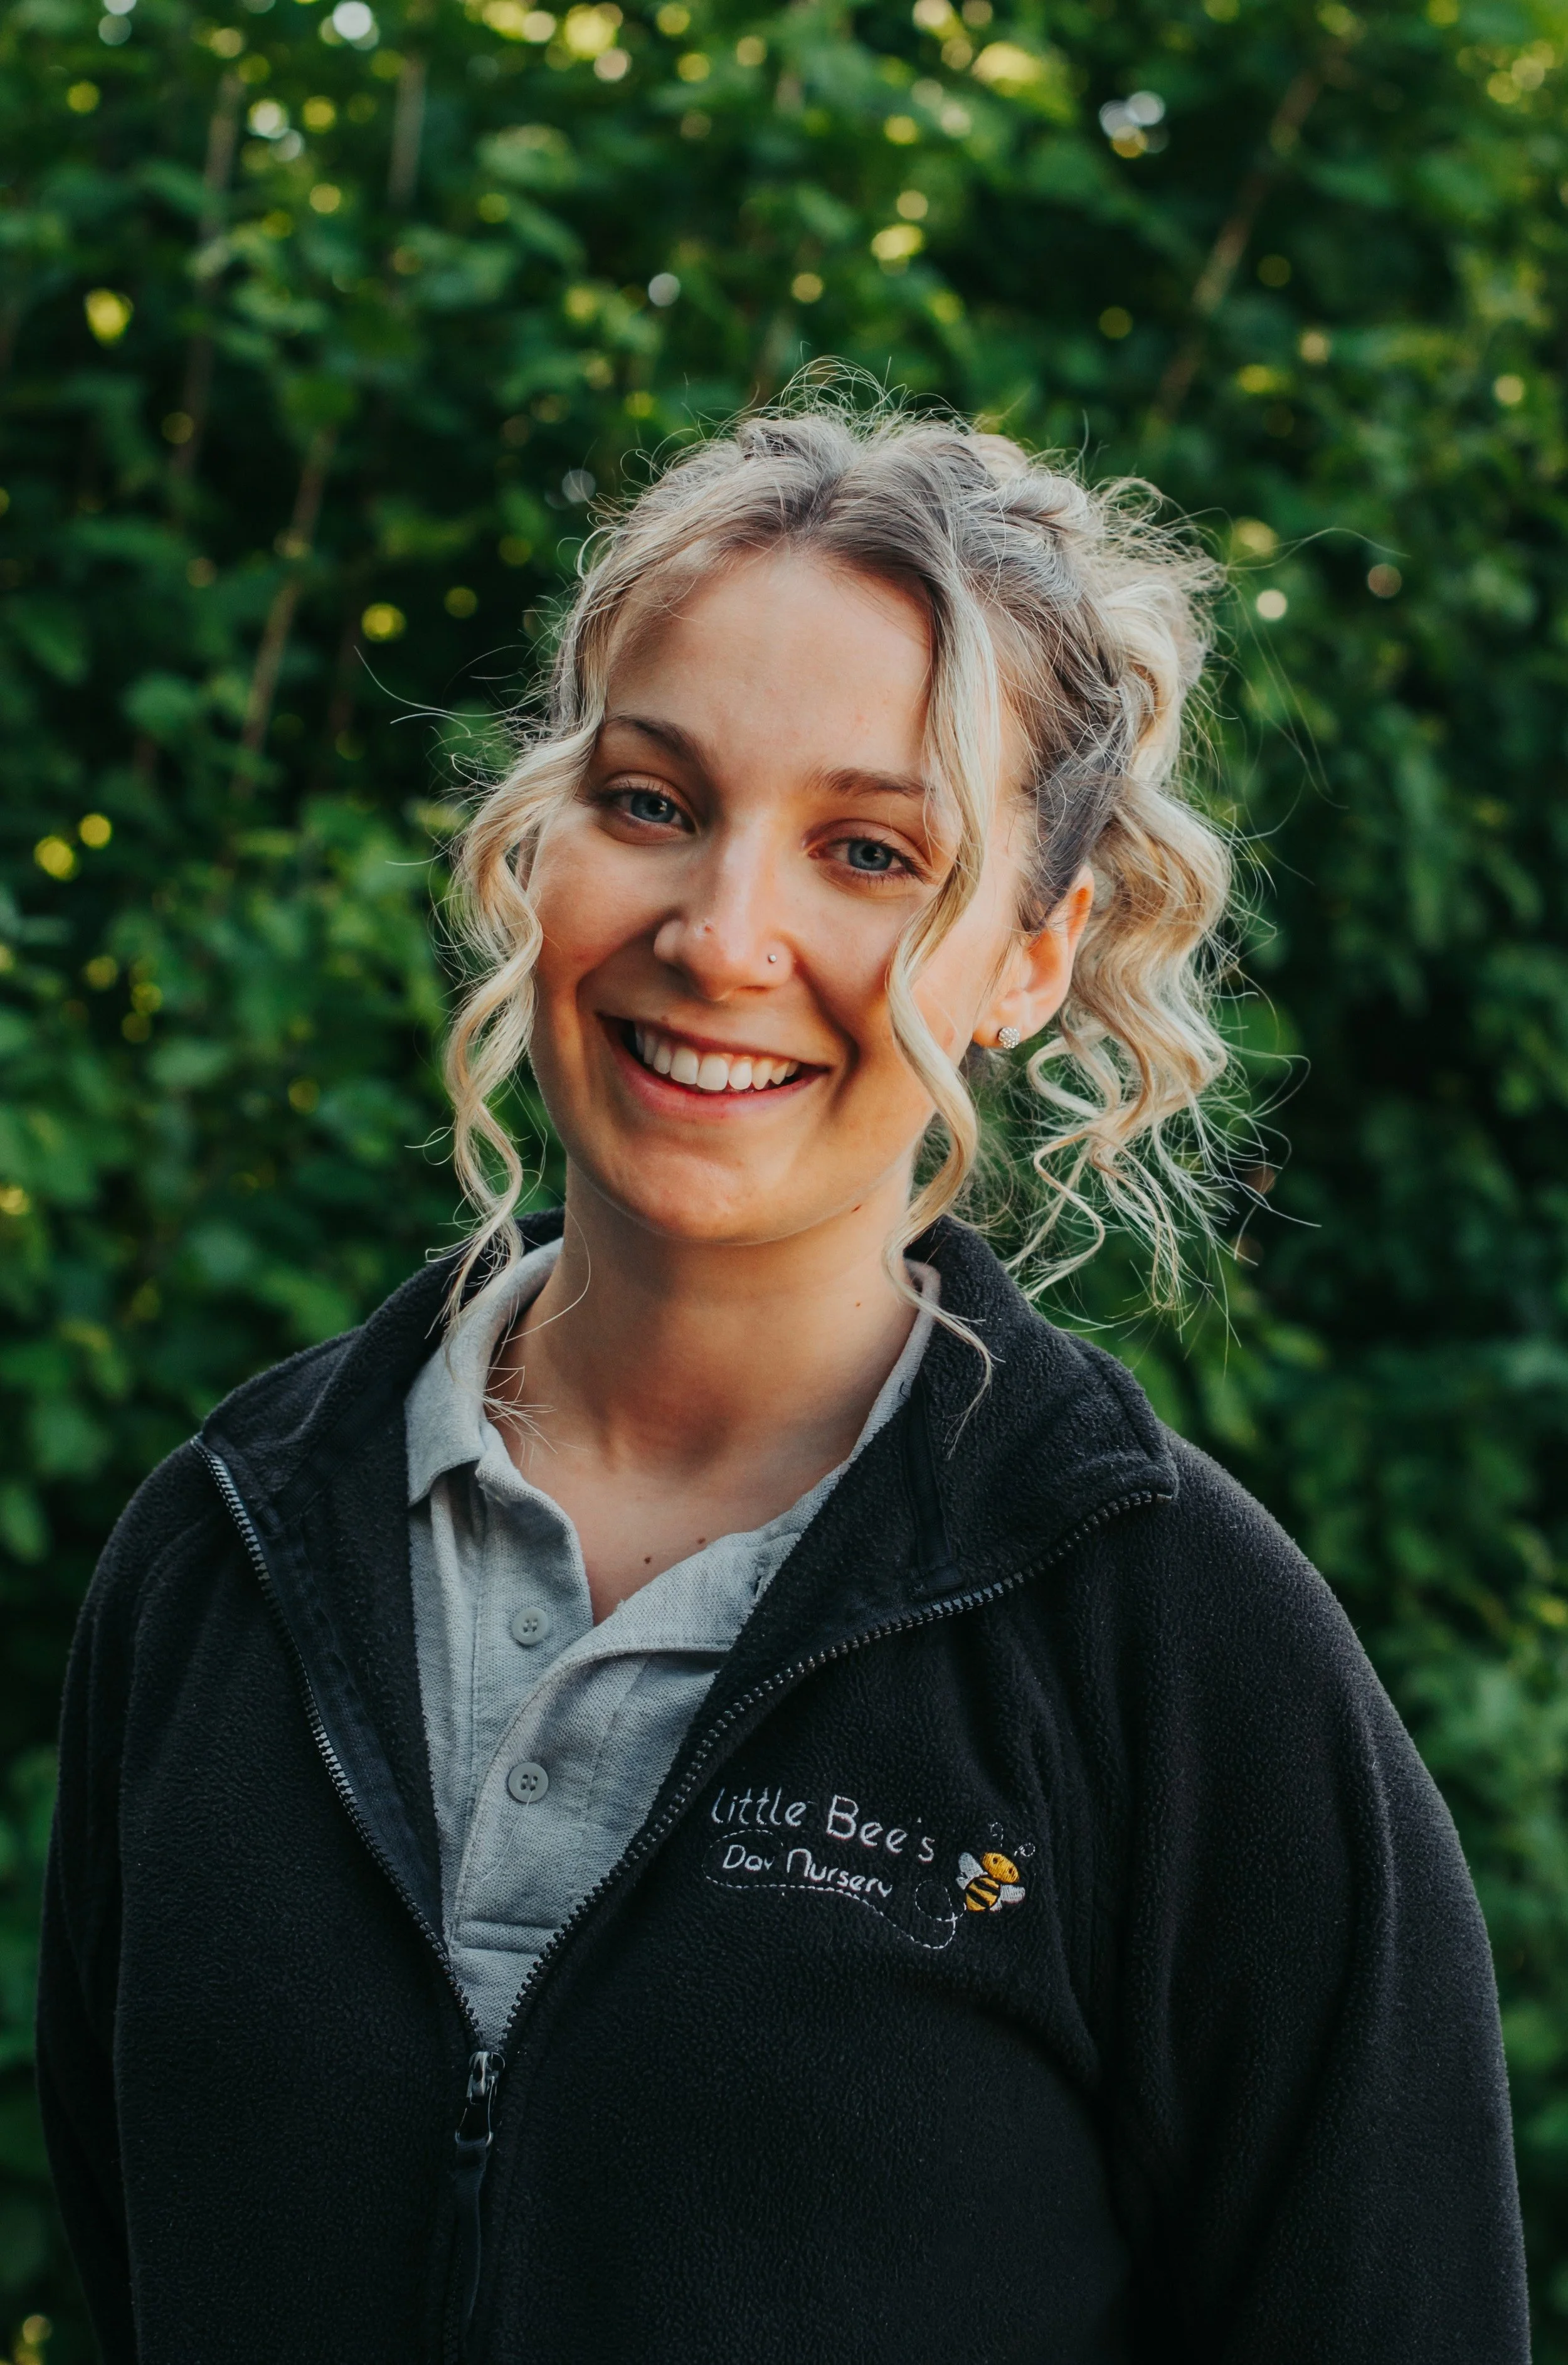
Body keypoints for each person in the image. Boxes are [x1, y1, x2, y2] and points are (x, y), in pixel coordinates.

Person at [38, 400, 1528, 2364]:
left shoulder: (1182, 1665)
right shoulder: (220, 1554)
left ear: (1030, 957)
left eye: (872, 851)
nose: (725, 936)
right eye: (652, 802)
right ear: (540, 837)